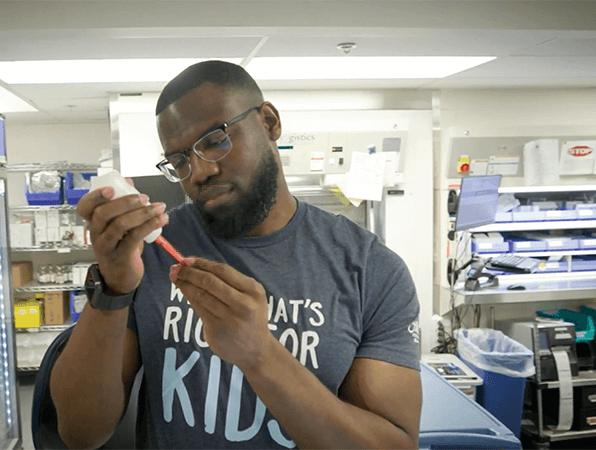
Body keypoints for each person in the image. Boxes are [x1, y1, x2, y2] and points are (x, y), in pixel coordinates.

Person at [51, 60, 422, 449]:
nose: (198, 172)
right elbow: (80, 432)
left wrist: (260, 355)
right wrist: (112, 288)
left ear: (269, 122)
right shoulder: (148, 254)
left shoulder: (372, 270)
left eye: (214, 140)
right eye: (179, 161)